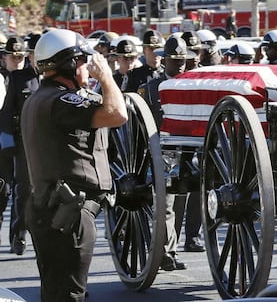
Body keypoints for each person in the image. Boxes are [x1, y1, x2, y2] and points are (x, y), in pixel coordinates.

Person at [21, 29, 127, 301]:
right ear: (67, 64)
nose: (86, 67)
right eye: (81, 61)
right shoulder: (61, 101)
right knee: (69, 295)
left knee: (56, 292)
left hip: (50, 207)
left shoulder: (40, 98)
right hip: (69, 213)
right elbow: (117, 114)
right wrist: (106, 78)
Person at [138, 35, 198, 268]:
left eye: (183, 60)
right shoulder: (151, 89)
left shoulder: (193, 85)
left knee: (181, 202)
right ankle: (166, 252)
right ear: (164, 61)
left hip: (189, 150)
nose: (180, 64)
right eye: (174, 60)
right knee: (166, 204)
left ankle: (172, 247)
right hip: (163, 150)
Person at [0, 33, 41, 255]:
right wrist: (7, 143)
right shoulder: (19, 79)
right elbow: (6, 113)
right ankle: (19, 235)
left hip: (47, 143)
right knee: (24, 190)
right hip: (23, 142)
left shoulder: (52, 78)